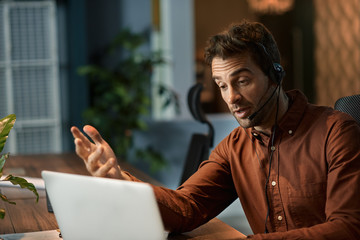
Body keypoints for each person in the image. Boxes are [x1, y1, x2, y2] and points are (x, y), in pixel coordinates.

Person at [71, 20, 360, 239]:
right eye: (222, 85)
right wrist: (119, 178)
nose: (231, 97)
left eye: (242, 81)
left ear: (275, 75)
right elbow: (187, 207)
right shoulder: (235, 146)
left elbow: (348, 227)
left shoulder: (336, 132)